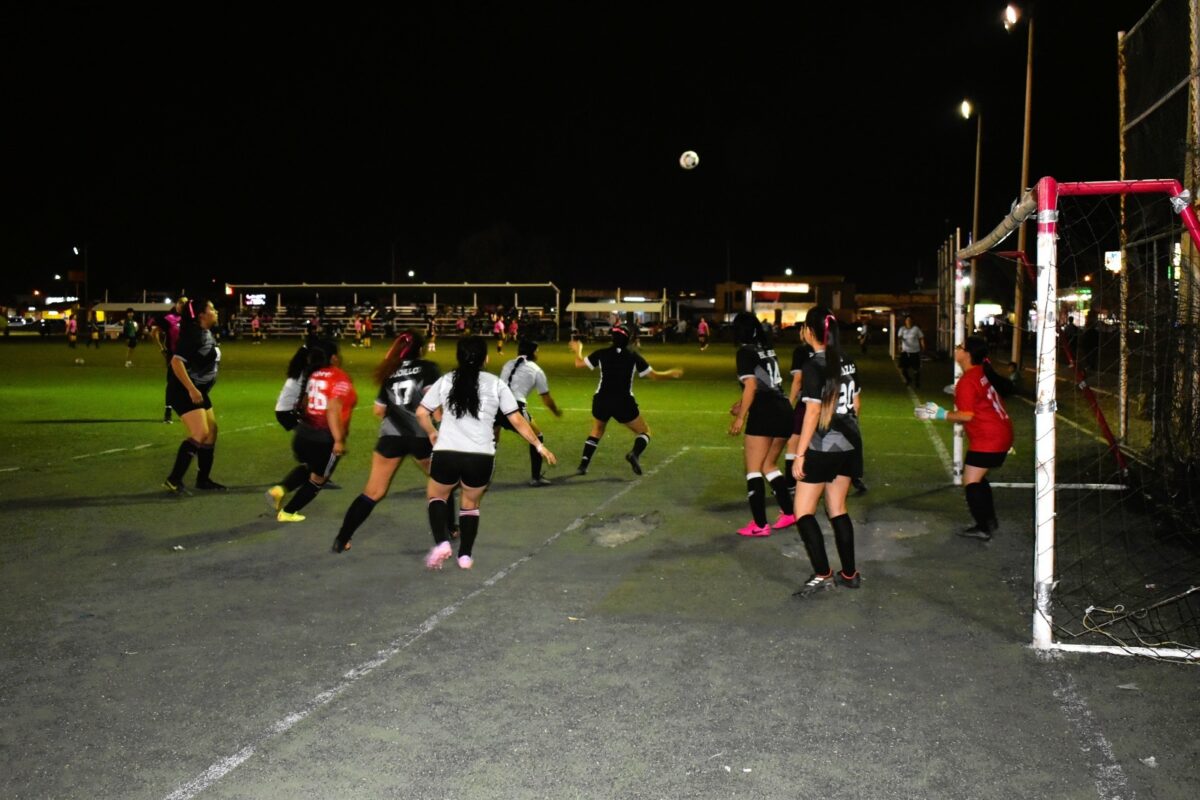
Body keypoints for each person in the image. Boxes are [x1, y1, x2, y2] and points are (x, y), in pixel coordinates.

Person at [415, 336, 556, 570]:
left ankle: (442, 542)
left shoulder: (446, 381)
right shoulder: (496, 384)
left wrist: (431, 432)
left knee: (437, 497)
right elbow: (517, 419)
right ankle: (465, 556)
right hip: (480, 457)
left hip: (447, 453)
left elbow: (422, 412)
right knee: (470, 504)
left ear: (458, 357)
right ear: (485, 358)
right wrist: (538, 446)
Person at [330, 331, 452, 553]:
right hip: (420, 436)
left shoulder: (390, 371)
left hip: (390, 437)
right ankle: (449, 532)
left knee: (372, 492)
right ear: (421, 349)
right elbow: (434, 406)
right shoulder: (428, 368)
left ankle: (342, 538)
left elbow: (379, 410)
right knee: (442, 483)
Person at [790, 305, 863, 598]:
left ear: (809, 331)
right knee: (837, 509)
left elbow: (812, 412)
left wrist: (800, 453)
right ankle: (850, 573)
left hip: (824, 445)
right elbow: (856, 405)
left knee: (803, 512)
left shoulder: (813, 365)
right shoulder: (848, 360)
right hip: (850, 443)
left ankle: (823, 574)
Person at [915, 335, 1014, 540]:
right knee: (978, 478)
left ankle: (983, 527)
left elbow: (966, 415)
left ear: (967, 354)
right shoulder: (980, 372)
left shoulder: (968, 380)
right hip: (1001, 433)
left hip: (988, 438)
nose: (956, 349)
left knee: (970, 482)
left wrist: (939, 414)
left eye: (960, 347)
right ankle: (989, 520)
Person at [570, 324, 683, 476]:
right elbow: (655, 376)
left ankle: (583, 465)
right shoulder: (633, 356)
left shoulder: (602, 353)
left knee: (597, 431)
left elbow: (578, 364)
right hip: (623, 401)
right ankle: (634, 454)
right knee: (644, 431)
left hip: (602, 399)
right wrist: (672, 373)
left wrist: (578, 349)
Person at [271, 339, 358, 522]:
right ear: (334, 357)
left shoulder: (314, 374)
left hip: (303, 435)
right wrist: (339, 440)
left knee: (309, 467)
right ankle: (288, 512)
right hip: (323, 439)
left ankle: (280, 489)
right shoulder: (339, 377)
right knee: (318, 480)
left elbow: (304, 402)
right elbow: (333, 409)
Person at [728, 312, 795, 536]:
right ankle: (789, 513)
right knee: (769, 465)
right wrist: (741, 404)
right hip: (784, 410)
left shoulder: (744, 352)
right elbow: (767, 384)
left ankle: (759, 525)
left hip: (765, 413)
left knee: (753, 470)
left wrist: (741, 417)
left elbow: (752, 385)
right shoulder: (767, 349)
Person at [164, 299, 226, 493]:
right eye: (212, 309)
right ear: (202, 315)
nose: (216, 311)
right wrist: (191, 389)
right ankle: (173, 480)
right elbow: (176, 362)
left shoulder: (205, 333)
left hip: (198, 389)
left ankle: (203, 480)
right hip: (184, 390)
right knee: (200, 433)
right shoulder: (194, 335)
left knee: (212, 432)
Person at [496, 337, 563, 486]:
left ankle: (479, 473)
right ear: (533, 353)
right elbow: (546, 398)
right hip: (515, 408)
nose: (538, 353)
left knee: (490, 441)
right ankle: (536, 477)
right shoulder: (536, 370)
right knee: (537, 437)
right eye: (537, 351)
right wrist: (555, 411)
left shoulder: (508, 364)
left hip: (495, 406)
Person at [151, 296, 188, 423]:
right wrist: (161, 347)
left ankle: (188, 411)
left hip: (188, 356)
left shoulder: (190, 319)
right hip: (173, 356)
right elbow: (154, 332)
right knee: (172, 383)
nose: (183, 305)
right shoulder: (169, 319)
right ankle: (168, 412)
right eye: (180, 302)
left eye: (185, 303)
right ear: (176, 304)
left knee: (188, 383)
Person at [896, 315, 925, 387]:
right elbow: (899, 338)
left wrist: (923, 345)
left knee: (916, 368)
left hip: (915, 351)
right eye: (907, 320)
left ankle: (917, 382)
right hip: (905, 351)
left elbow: (921, 337)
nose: (908, 321)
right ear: (905, 321)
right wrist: (899, 345)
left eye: (910, 320)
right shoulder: (902, 329)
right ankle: (908, 379)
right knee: (903, 368)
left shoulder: (916, 329)